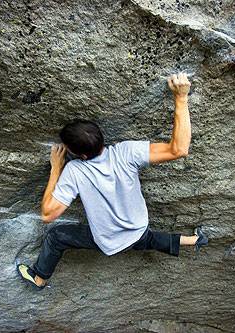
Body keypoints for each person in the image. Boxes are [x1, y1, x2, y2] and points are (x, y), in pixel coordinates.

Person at [17, 72, 209, 290]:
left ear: (81, 156)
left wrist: (56, 169)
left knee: (56, 236)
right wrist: (181, 97)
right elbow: (179, 149)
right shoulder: (126, 152)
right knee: (146, 239)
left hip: (107, 239)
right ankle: (194, 241)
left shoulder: (75, 171)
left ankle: (39, 278)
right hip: (137, 229)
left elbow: (47, 215)